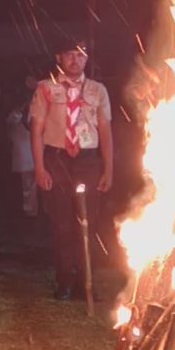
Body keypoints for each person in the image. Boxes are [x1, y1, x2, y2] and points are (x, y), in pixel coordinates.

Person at [31, 40, 115, 302]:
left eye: (81, 56)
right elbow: (36, 131)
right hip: (57, 159)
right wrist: (40, 168)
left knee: (87, 223)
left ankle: (86, 281)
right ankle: (65, 281)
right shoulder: (46, 89)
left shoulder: (98, 90)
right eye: (70, 55)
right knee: (62, 224)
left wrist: (108, 169)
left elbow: (105, 131)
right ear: (59, 57)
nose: (75, 60)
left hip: (88, 161)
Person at [7, 77, 40, 219]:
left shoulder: (38, 114)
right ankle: (30, 212)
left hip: (39, 156)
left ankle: (40, 212)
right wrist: (21, 107)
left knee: (39, 186)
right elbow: (12, 120)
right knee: (28, 186)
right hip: (25, 157)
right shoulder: (16, 116)